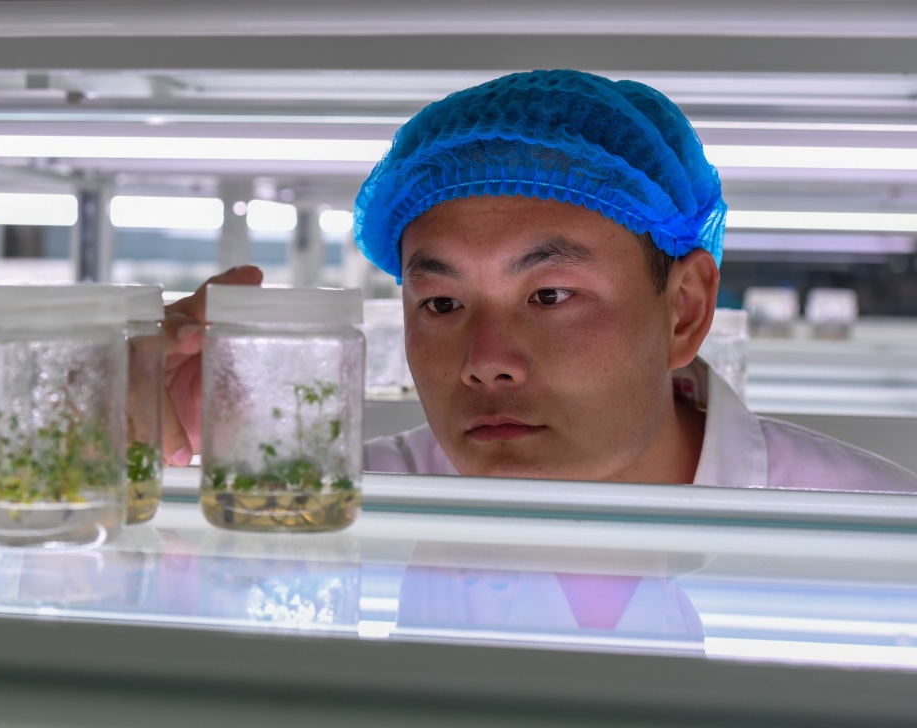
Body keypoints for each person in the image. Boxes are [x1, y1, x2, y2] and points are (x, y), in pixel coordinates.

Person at [162, 69, 917, 493]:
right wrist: (139, 458)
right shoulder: (331, 502)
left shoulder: (873, 527)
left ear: (685, 310)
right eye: (442, 302)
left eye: (550, 295)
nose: (486, 361)